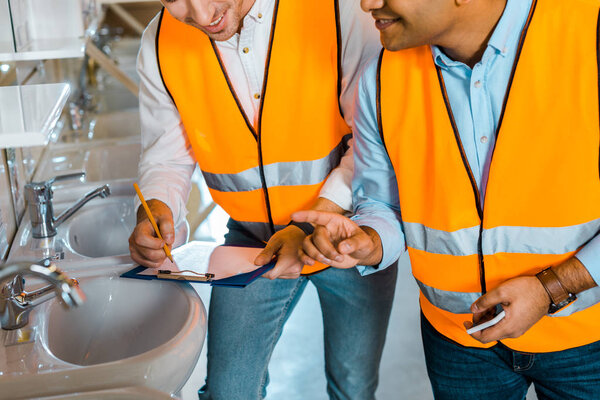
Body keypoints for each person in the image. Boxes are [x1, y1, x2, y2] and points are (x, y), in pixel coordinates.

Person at [293, 0, 600, 398]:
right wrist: (369, 240)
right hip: (458, 342)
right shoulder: (381, 77)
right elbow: (384, 203)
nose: (366, 3)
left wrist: (552, 288)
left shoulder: (587, 32)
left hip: (587, 338)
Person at [128, 1, 397, 399]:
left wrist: (315, 219)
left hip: (347, 231)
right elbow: (166, 155)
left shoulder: (339, 12)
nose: (201, 17)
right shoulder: (158, 44)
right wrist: (158, 207)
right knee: (228, 392)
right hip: (250, 243)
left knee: (353, 389)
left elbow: (373, 140)